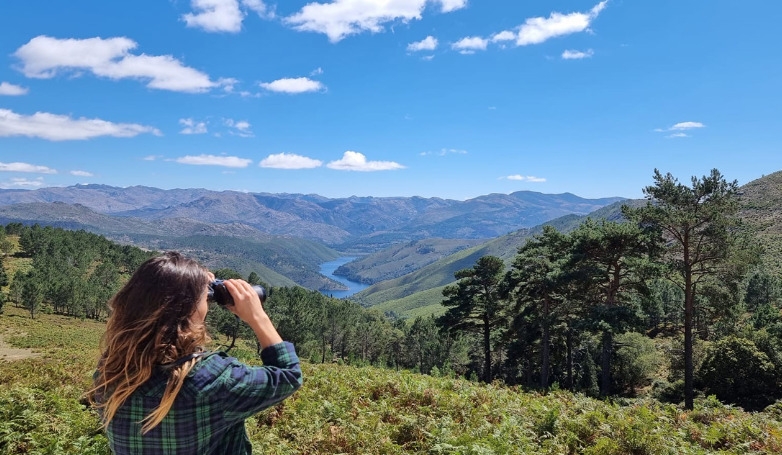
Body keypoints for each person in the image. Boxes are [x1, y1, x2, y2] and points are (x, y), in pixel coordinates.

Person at [87, 251, 302, 454]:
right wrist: (257, 316)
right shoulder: (213, 381)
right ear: (190, 310)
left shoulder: (110, 372)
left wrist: (192, 283)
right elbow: (288, 375)